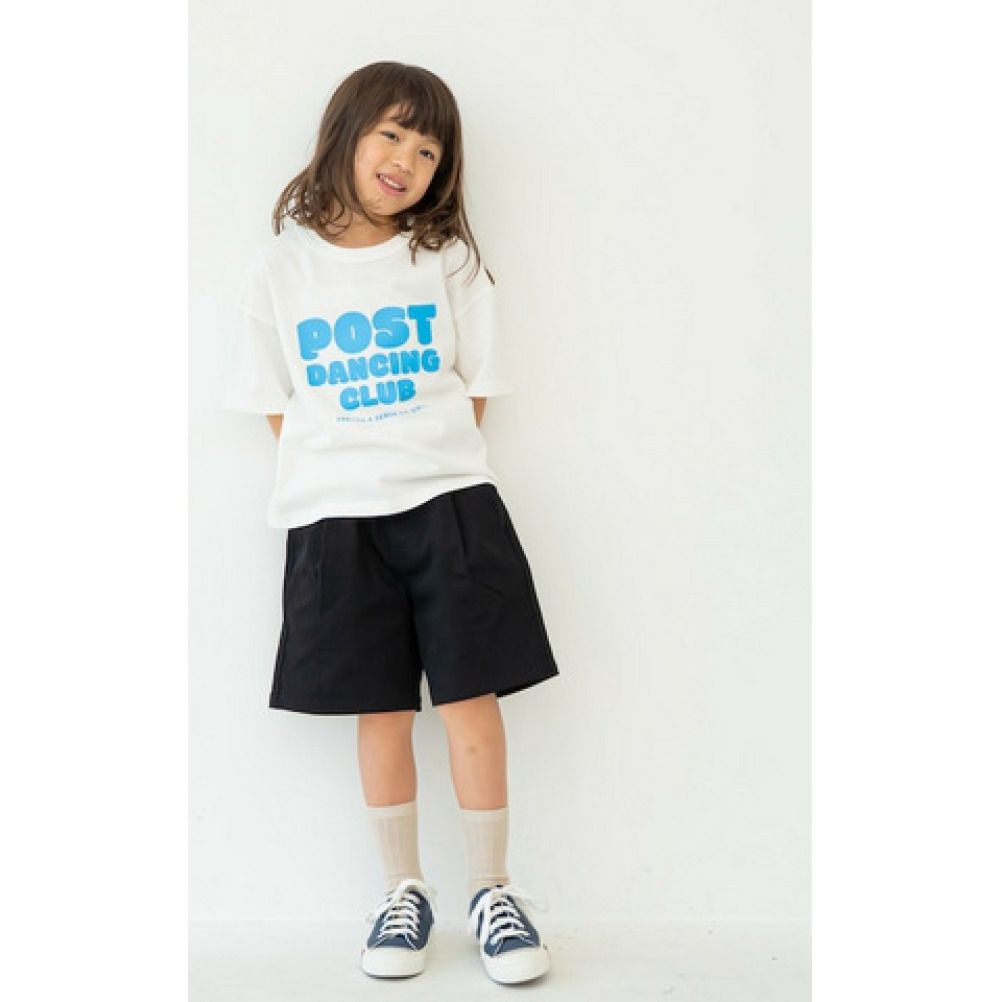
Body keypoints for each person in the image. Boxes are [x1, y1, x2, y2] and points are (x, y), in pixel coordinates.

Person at [222, 61, 560, 986]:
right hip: (336, 520)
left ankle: (492, 890)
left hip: (450, 506)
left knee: (471, 700)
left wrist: (420, 457)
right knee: (381, 708)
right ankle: (402, 891)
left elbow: (476, 384)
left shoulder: (443, 259)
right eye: (393, 134)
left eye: (429, 149)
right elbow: (275, 401)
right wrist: (347, 466)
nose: (408, 159)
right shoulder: (282, 266)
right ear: (346, 132)